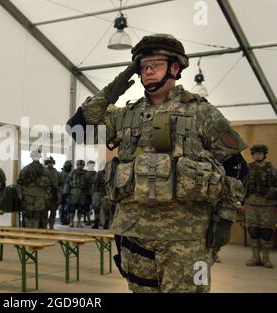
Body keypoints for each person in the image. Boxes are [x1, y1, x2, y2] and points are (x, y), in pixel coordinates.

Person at [67, 33, 247, 292]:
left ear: (175, 67)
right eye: (143, 66)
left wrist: (225, 219)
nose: (148, 71)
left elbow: (237, 167)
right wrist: (115, 87)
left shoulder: (202, 113)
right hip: (134, 232)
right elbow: (76, 130)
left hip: (186, 237)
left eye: (156, 64)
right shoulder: (125, 115)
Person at [243, 144, 276, 268]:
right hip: (251, 204)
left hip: (268, 205)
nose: (257, 155)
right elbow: (242, 186)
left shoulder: (272, 170)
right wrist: (240, 202)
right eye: (255, 153)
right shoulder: (248, 169)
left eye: (260, 153)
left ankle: (266, 258)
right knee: (253, 230)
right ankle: (255, 257)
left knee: (267, 231)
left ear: (264, 154)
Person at [17, 148, 52, 228]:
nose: (36, 157)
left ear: (39, 157)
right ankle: (29, 230)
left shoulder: (44, 169)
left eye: (37, 156)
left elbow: (49, 184)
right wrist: (20, 192)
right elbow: (19, 182)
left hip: (40, 194)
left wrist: (47, 193)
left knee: (37, 214)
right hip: (28, 194)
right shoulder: (26, 169)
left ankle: (35, 230)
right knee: (29, 213)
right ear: (32, 157)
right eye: (34, 156)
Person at [67, 160, 87, 228]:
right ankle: (71, 221)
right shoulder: (73, 172)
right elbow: (68, 181)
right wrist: (67, 193)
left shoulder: (85, 173)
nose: (80, 166)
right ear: (77, 165)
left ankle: (79, 222)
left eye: (82, 165)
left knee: (80, 208)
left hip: (82, 192)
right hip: (74, 191)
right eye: (79, 165)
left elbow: (87, 183)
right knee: (72, 207)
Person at [92, 162, 111, 229]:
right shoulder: (99, 173)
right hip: (98, 192)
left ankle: (106, 223)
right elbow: (95, 183)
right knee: (96, 207)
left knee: (106, 209)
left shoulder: (111, 174)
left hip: (106, 193)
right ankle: (96, 222)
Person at [44, 156, 61, 229]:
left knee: (53, 211)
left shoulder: (57, 173)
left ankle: (51, 226)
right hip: (45, 193)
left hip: (54, 193)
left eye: (51, 163)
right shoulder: (43, 172)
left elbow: (61, 183)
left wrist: (59, 193)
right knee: (44, 211)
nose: (50, 164)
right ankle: (44, 226)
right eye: (48, 163)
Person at [59, 161, 73, 225]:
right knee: (62, 207)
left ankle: (68, 219)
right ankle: (62, 220)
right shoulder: (61, 174)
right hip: (62, 192)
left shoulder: (72, 173)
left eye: (69, 166)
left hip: (69, 192)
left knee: (68, 207)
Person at [84, 160, 97, 225]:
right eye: (90, 164)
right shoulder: (85, 174)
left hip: (94, 192)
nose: (91, 166)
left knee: (95, 206)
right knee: (87, 207)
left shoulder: (96, 174)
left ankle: (96, 220)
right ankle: (88, 219)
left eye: (92, 165)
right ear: (87, 165)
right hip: (86, 193)